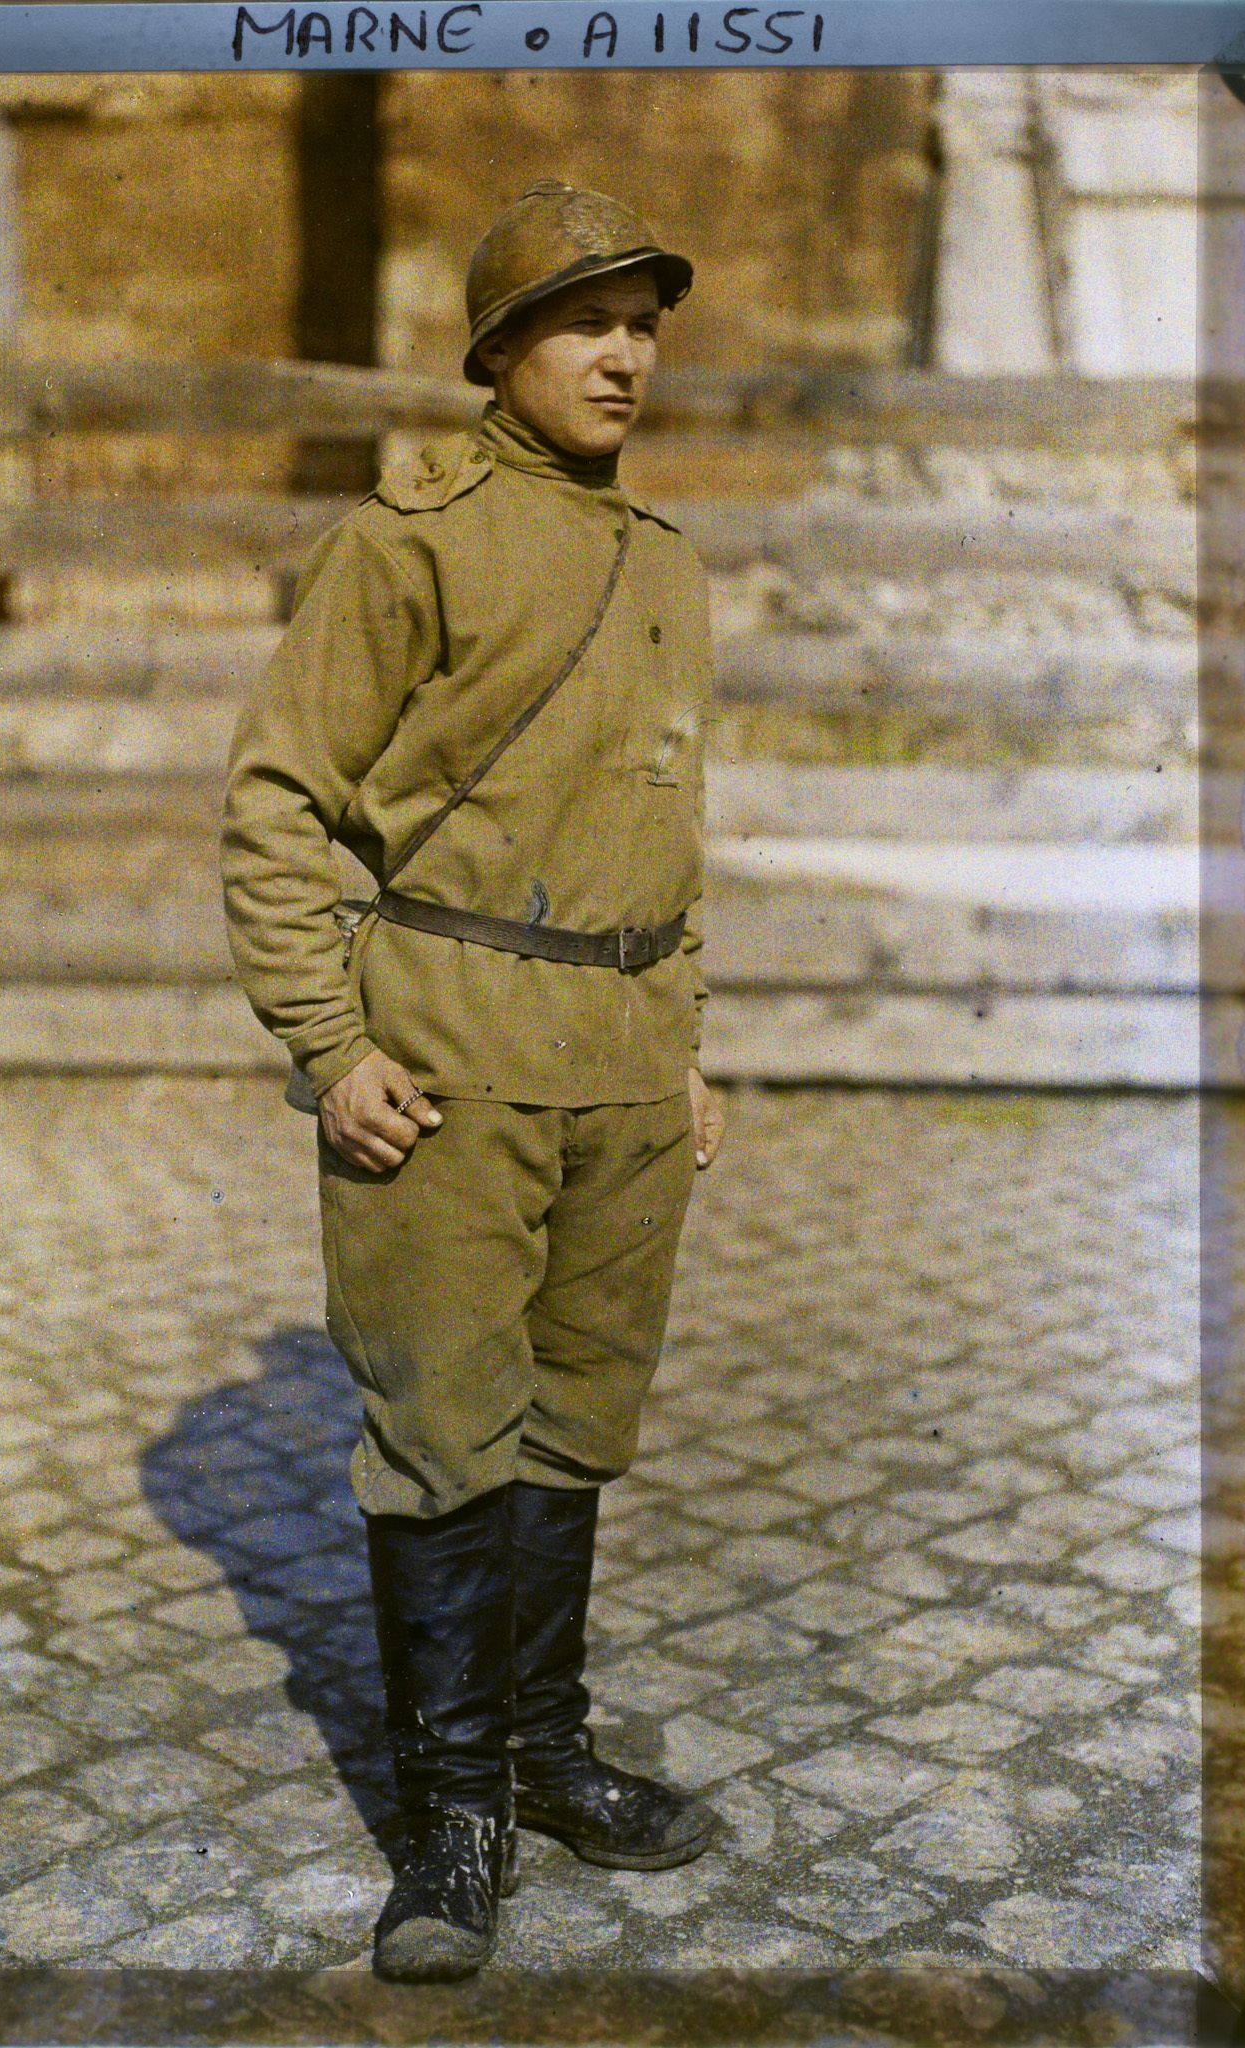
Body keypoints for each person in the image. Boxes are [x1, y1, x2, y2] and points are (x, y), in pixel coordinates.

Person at [220, 179, 727, 1983]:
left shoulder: (667, 559)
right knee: (443, 1437)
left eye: (644, 322)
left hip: (621, 1071)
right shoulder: (409, 540)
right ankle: (448, 1817)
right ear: (499, 353)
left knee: (580, 1412)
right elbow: (280, 803)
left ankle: (545, 1752)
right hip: (444, 1061)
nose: (623, 355)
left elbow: (661, 835)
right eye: (585, 321)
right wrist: (331, 1045)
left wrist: (686, 1053)